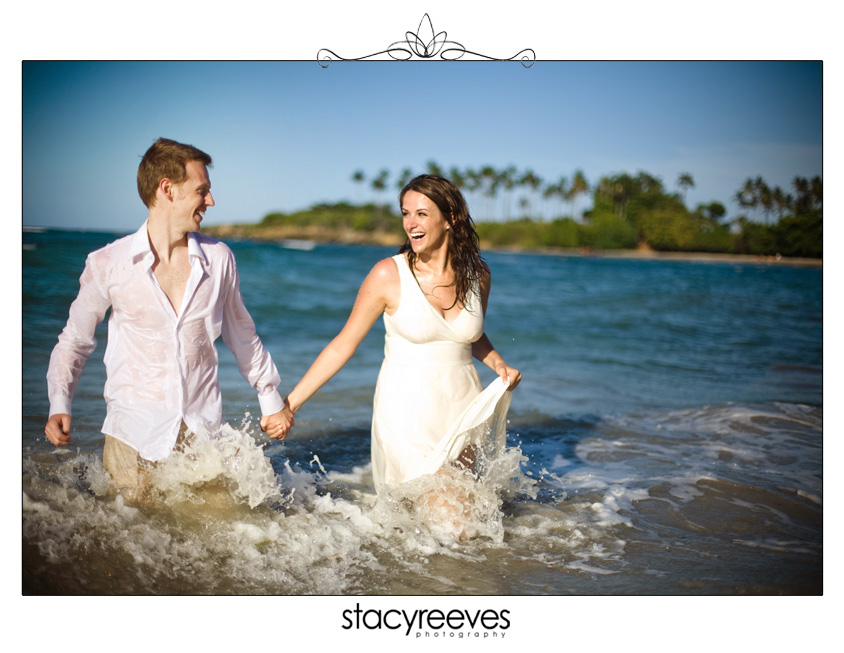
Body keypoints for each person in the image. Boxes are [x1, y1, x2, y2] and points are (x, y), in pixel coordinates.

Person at [45, 138, 294, 492]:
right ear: (167, 189)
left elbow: (242, 334)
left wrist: (270, 400)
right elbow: (75, 339)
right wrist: (60, 401)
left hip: (201, 437)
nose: (210, 201)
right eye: (201, 190)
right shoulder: (107, 263)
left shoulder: (219, 259)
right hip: (132, 436)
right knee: (131, 540)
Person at [273, 174, 520, 496]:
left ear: (451, 219)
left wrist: (500, 365)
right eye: (405, 213)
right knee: (444, 509)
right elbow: (343, 345)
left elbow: (470, 336)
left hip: (463, 408)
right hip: (407, 410)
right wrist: (289, 405)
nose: (410, 223)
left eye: (421, 213)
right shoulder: (388, 274)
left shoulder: (479, 275)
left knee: (464, 514)